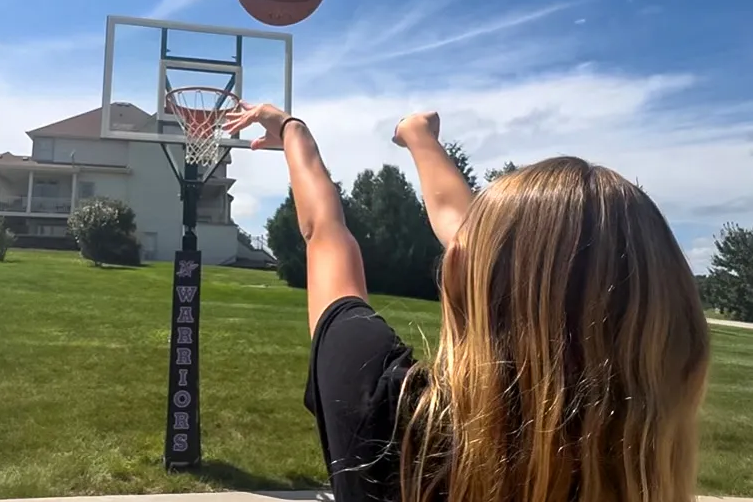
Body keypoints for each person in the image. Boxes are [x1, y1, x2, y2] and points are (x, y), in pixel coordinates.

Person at [224, 103, 711, 502]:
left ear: (456, 275)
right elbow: (495, 261)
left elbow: (325, 233)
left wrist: (291, 129)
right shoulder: (641, 458)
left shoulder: (392, 417)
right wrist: (420, 138)